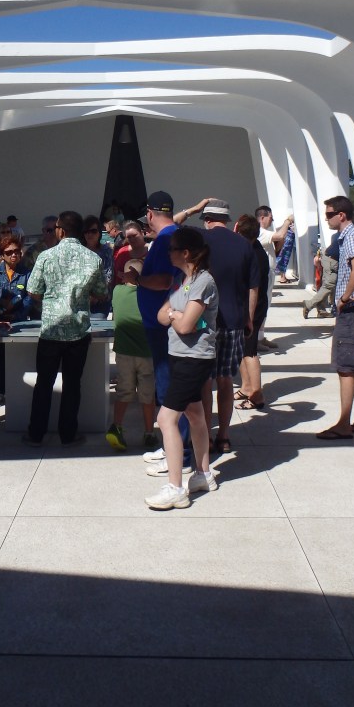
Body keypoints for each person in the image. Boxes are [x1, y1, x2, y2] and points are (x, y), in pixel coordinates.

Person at [145, 227, 219, 510]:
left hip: (194, 358)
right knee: (195, 414)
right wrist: (176, 314)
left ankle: (176, 488)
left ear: (185, 253)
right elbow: (162, 314)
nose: (167, 254)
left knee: (166, 420)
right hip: (178, 354)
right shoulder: (182, 279)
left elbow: (186, 325)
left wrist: (176, 315)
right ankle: (203, 474)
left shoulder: (203, 282)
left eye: (171, 249)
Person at [22, 210, 108, 446]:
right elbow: (102, 292)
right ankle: (68, 434)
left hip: (51, 329)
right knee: (72, 384)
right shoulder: (93, 259)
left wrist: (52, 299)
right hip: (78, 331)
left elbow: (33, 291)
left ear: (60, 229)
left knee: (44, 383)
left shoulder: (46, 256)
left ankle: (36, 432)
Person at [124, 191, 191, 475]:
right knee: (167, 389)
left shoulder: (165, 239)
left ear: (149, 214)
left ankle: (181, 454)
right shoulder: (173, 235)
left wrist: (138, 278)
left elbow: (164, 280)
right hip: (162, 324)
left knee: (169, 389)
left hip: (163, 326)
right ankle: (171, 446)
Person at [199, 199, 259, 454]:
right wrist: (249, 318)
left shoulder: (199, 240)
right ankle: (223, 436)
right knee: (224, 381)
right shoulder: (245, 245)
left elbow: (172, 226)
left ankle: (205, 436)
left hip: (203, 321)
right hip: (234, 321)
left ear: (206, 218)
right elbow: (252, 287)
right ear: (227, 220)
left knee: (204, 381)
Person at [317, 196, 354, 439]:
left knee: (345, 368)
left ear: (341, 215)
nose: (326, 218)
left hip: (352, 312)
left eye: (329, 214)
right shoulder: (351, 237)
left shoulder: (351, 237)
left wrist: (343, 298)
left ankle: (343, 424)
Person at [106, 258, 156, 452]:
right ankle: (149, 432)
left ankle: (117, 426)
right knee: (147, 395)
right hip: (146, 352)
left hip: (124, 352)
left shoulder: (117, 292)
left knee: (124, 391)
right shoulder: (149, 294)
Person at [233, 214, 269, 410]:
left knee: (250, 352)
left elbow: (252, 289)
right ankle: (247, 387)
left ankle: (257, 395)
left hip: (252, 311)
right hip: (246, 309)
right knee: (241, 350)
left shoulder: (255, 255)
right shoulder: (251, 249)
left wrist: (249, 316)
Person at [0, 233, 32, 404]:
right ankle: (0, 390)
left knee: (20, 356)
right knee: (1, 356)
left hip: (20, 320)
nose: (14, 255)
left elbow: (29, 297)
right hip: (0, 321)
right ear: (2, 255)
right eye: (9, 252)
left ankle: (19, 389)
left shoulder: (27, 272)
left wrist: (16, 313)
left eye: (17, 251)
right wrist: (1, 310)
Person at [255, 206, 294, 349]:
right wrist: (287, 221)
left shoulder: (266, 233)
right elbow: (279, 236)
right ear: (263, 217)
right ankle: (256, 340)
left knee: (266, 305)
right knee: (261, 306)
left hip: (269, 273)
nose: (272, 220)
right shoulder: (260, 231)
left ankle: (260, 336)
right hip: (263, 274)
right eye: (271, 217)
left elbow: (276, 248)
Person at [82, 214, 113, 316]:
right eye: (86, 231)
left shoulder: (106, 251)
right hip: (80, 301)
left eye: (93, 231)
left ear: (99, 232)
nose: (89, 234)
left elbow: (108, 275)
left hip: (100, 301)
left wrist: (95, 296)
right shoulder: (78, 251)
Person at [303, 238, 339, 318]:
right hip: (332, 261)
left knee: (326, 285)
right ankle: (309, 304)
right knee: (329, 285)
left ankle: (321, 310)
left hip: (328, 259)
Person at [112, 220, 148, 284]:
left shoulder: (151, 249)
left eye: (134, 235)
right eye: (129, 237)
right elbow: (116, 272)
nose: (132, 239)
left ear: (142, 233)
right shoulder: (122, 252)